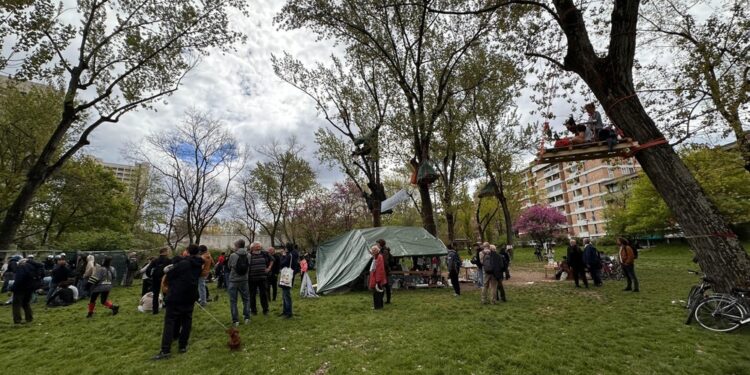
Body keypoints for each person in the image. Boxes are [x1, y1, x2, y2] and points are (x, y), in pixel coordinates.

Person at [152, 244, 204, 360]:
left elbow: (169, 275)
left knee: (170, 321)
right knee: (187, 320)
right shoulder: (199, 264)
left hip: (177, 295)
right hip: (190, 295)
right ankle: (182, 345)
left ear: (188, 252)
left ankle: (165, 350)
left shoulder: (184, 264)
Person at [227, 239, 251, 326]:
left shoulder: (233, 255)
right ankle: (247, 318)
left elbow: (229, 266)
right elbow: (249, 265)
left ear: (237, 246)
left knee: (233, 300)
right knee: (246, 299)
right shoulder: (249, 255)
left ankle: (235, 320)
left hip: (233, 280)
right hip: (244, 280)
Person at [10, 258, 38, 324]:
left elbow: (18, 280)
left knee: (16, 305)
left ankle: (17, 320)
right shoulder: (32, 268)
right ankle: (29, 318)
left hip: (20, 289)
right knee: (26, 303)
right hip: (29, 288)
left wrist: (12, 288)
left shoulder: (21, 268)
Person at [248, 241, 271, 316]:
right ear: (252, 248)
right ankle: (253, 311)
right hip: (252, 279)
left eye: (259, 246)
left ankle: (265, 310)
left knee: (263, 294)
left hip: (262, 278)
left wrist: (269, 268)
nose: (258, 247)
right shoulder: (249, 255)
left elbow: (272, 260)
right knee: (252, 295)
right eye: (257, 246)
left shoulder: (264, 253)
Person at [147, 248, 171, 314]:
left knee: (155, 294)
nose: (168, 253)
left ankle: (155, 310)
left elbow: (148, 269)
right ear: (165, 252)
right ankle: (167, 308)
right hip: (165, 278)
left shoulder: (155, 260)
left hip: (155, 278)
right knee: (166, 293)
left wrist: (150, 276)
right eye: (167, 251)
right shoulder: (168, 260)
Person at [278, 243, 300, 319]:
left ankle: (288, 312)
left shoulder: (289, 255)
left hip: (287, 275)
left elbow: (282, 263)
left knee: (286, 294)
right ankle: (285, 311)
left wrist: (283, 256)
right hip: (291, 274)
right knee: (285, 293)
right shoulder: (294, 254)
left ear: (287, 248)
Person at [368, 245, 386, 310]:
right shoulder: (376, 257)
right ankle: (378, 306)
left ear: (376, 251)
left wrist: (378, 280)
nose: (372, 252)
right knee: (376, 293)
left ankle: (378, 307)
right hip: (375, 278)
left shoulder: (379, 257)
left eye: (373, 251)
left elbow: (380, 269)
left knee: (377, 293)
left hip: (377, 279)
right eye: (372, 251)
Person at [376, 239, 393, 304]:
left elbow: (385, 262)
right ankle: (383, 300)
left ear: (380, 244)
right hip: (383, 270)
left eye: (377, 244)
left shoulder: (384, 251)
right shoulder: (382, 250)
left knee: (385, 285)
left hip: (384, 270)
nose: (376, 245)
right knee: (385, 285)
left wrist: (381, 269)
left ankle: (386, 300)